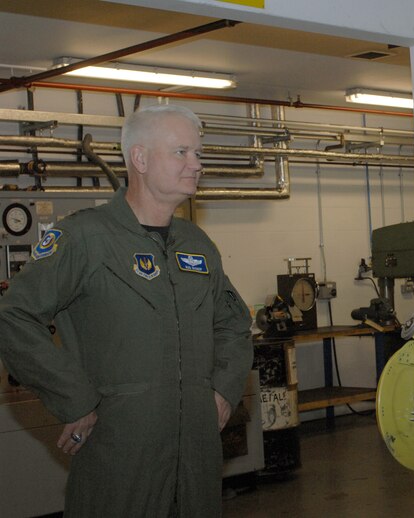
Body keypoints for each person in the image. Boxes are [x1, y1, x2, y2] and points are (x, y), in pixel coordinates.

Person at [0, 104, 253, 517]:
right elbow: (13, 316)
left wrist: (224, 388)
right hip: (121, 453)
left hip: (197, 457)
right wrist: (75, 400)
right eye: (182, 152)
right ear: (140, 158)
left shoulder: (197, 245)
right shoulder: (84, 237)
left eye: (197, 153)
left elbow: (234, 325)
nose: (196, 164)